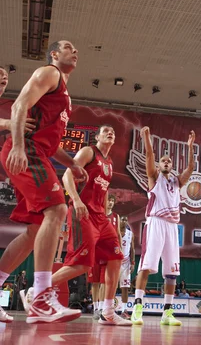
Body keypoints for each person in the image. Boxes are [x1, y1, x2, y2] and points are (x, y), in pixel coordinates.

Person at [0, 41, 87, 324]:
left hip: (40, 153)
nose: (75, 52)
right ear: (54, 54)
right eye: (68, 47)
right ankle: (40, 296)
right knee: (58, 210)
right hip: (28, 151)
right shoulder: (50, 73)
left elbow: (51, 141)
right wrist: (18, 147)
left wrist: (72, 161)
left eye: (75, 49)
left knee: (33, 231)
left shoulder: (64, 94)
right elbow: (19, 105)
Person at [47, 125, 130, 326]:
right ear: (97, 137)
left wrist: (104, 214)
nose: (111, 132)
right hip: (82, 212)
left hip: (100, 217)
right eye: (106, 131)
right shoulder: (89, 151)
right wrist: (75, 200)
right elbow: (67, 175)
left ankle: (108, 311)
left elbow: (103, 194)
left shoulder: (109, 163)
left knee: (116, 257)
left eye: (113, 131)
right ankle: (37, 289)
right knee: (82, 264)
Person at [132, 127, 195, 327]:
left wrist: (191, 147)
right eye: (163, 160)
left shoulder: (177, 182)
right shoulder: (154, 177)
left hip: (172, 227)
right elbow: (149, 155)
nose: (166, 162)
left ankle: (167, 312)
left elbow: (191, 169)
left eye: (169, 161)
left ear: (172, 165)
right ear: (159, 166)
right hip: (156, 223)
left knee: (171, 272)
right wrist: (146, 138)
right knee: (146, 266)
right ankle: (137, 307)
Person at [119, 215, 135, 319]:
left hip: (126, 263)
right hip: (115, 262)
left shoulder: (130, 234)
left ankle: (124, 310)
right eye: (122, 219)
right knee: (111, 287)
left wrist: (133, 263)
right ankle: (108, 309)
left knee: (125, 288)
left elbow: (132, 249)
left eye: (126, 220)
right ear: (119, 221)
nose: (124, 221)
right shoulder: (115, 232)